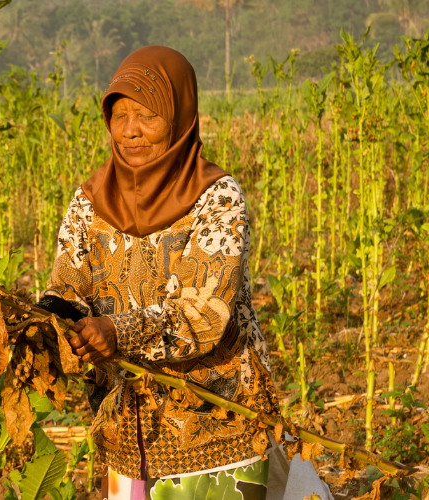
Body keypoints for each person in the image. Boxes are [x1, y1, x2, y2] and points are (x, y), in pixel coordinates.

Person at [37, 46, 280, 500]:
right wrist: (45, 318)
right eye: (119, 114)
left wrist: (117, 331)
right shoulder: (89, 199)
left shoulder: (217, 197)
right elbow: (68, 284)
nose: (129, 131)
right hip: (126, 426)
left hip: (214, 424)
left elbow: (201, 313)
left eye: (146, 115)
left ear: (180, 117)